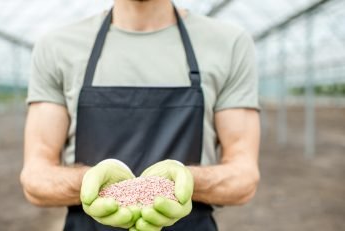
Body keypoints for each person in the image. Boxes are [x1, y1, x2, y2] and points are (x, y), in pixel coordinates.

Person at [20, 0, 260, 230]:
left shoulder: (228, 44)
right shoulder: (58, 47)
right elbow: (35, 178)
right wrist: (92, 182)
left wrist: (184, 181)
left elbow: (244, 177)